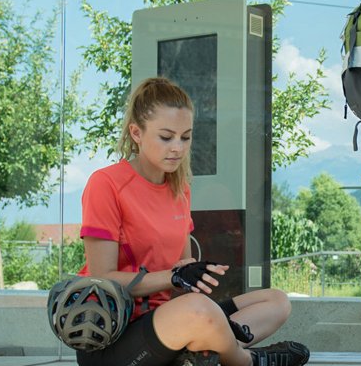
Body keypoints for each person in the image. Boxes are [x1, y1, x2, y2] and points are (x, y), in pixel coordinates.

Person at [77, 77, 309, 366]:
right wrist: (172, 278)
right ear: (136, 133)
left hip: (177, 319)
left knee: (276, 301)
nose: (177, 147)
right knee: (198, 310)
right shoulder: (106, 184)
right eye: (166, 137)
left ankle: (207, 349)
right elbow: (102, 280)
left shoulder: (180, 188)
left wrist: (193, 273)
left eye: (185, 137)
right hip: (118, 337)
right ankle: (247, 360)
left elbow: (181, 274)